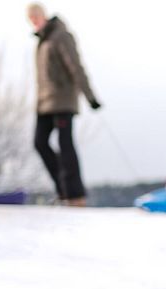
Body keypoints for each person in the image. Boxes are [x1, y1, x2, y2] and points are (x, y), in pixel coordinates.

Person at [27, 3, 101, 207]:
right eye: (31, 20)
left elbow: (76, 67)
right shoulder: (41, 41)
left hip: (62, 100)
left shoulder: (61, 36)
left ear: (43, 16)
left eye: (36, 17)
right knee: (39, 142)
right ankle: (63, 189)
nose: (34, 22)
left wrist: (90, 97)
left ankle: (75, 195)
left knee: (65, 144)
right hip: (44, 102)